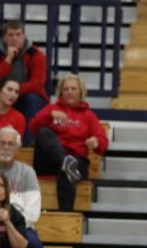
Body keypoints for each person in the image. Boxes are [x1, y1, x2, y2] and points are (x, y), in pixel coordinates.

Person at [29, 74, 109, 212]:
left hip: (77, 161)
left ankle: (65, 215)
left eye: (73, 89)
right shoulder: (52, 109)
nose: (69, 92)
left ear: (80, 92)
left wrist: (96, 141)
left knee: (68, 171)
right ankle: (65, 161)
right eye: (66, 89)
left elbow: (102, 143)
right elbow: (32, 128)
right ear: (61, 92)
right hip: (49, 160)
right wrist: (49, 116)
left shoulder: (88, 116)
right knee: (44, 132)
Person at [0, 20, 49, 128]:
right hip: (3, 95)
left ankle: (28, 143)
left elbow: (37, 85)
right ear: (4, 37)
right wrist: (8, 60)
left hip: (28, 96)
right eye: (10, 35)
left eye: (18, 34)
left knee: (31, 99)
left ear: (24, 36)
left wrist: (12, 91)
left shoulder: (36, 55)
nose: (15, 38)